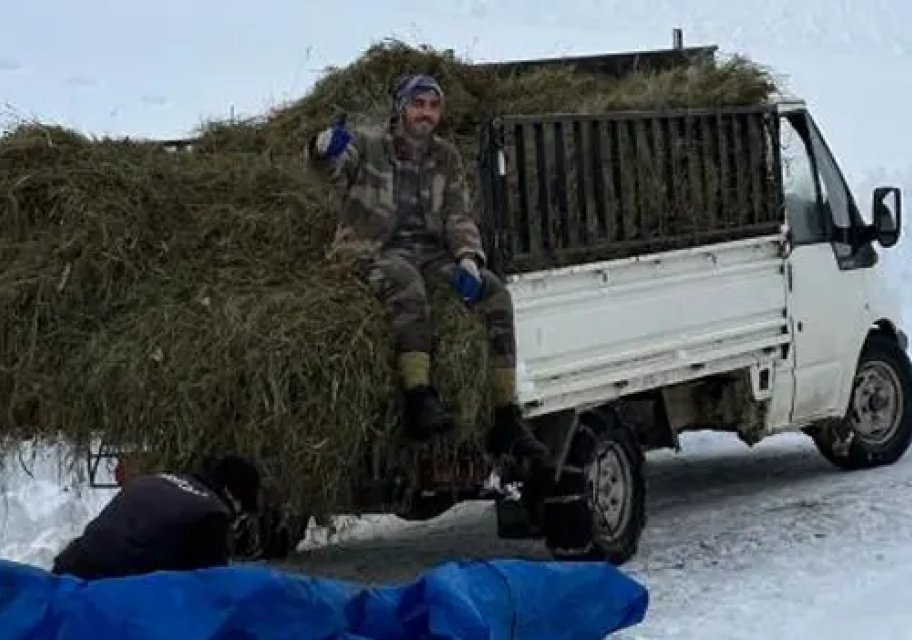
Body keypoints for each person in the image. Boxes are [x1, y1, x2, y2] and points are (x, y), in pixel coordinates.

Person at [306, 72, 550, 467]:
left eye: (434, 106)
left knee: (495, 293)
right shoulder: (369, 147)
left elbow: (458, 214)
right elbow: (330, 167)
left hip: (432, 254)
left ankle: (506, 415)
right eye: (419, 105)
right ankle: (419, 397)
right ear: (402, 108)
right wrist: (322, 148)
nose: (426, 114)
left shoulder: (446, 156)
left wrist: (469, 259)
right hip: (375, 251)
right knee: (406, 284)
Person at [50, 455, 261, 580]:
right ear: (232, 494)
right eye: (241, 512)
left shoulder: (156, 480)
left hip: (68, 573)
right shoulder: (211, 514)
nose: (237, 521)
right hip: (111, 596)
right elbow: (210, 591)